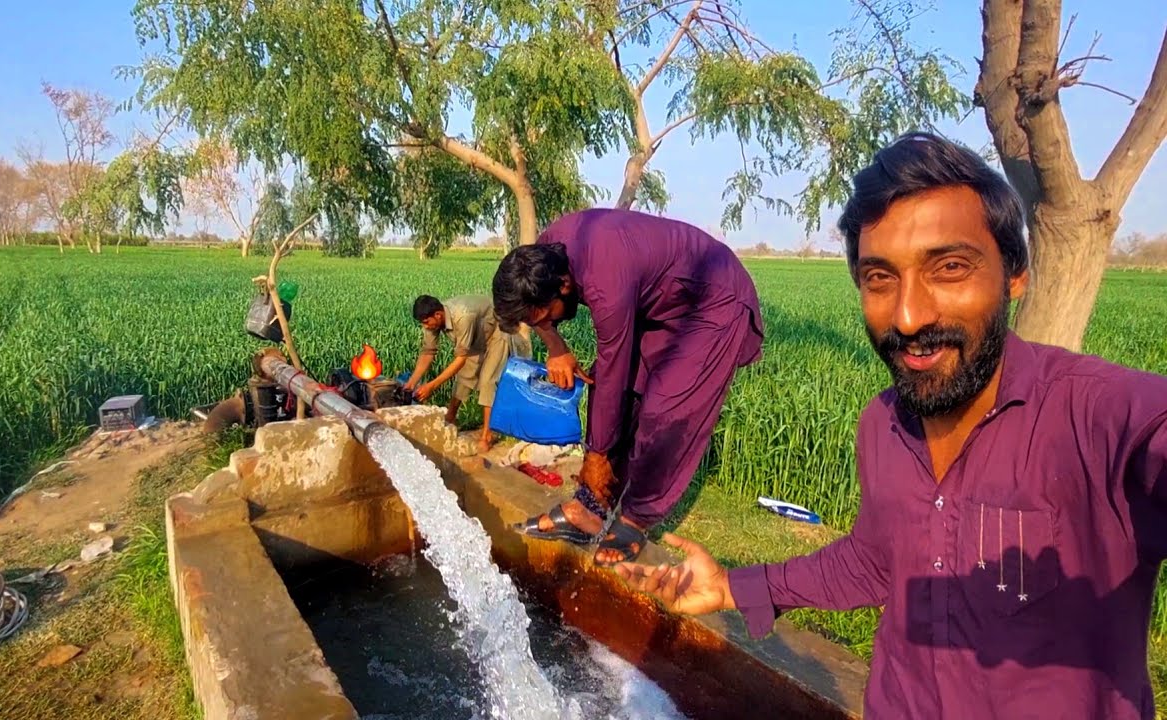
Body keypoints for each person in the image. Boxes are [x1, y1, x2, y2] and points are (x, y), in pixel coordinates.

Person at [613, 132, 1167, 719]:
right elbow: (877, 557)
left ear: (1014, 272)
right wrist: (734, 588)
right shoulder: (883, 423)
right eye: (880, 278)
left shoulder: (1102, 419)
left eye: (949, 268)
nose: (908, 316)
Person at [491, 208, 765, 566]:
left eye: (544, 317)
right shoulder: (542, 256)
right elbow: (542, 316)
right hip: (661, 302)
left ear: (565, 286)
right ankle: (590, 508)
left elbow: (613, 371)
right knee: (623, 392)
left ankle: (637, 517)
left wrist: (596, 454)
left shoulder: (606, 282)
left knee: (666, 410)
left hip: (712, 299)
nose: (544, 324)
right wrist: (556, 347)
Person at [403, 294, 531, 452]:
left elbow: (461, 359)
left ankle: (487, 435)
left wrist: (432, 386)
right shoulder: (433, 321)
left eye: (426, 322)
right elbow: (428, 352)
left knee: (488, 381)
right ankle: (450, 418)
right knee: (464, 377)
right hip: (477, 339)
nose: (426, 327)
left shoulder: (463, 316)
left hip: (498, 333)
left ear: (438, 315)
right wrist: (411, 383)